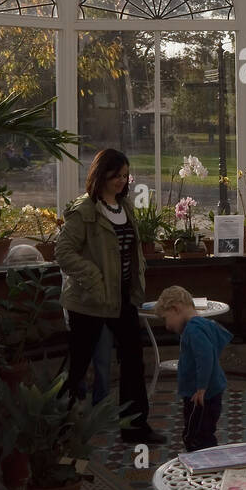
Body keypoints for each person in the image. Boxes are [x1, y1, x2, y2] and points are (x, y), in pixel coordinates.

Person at [55, 148, 164, 444]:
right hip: (88, 303)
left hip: (123, 300)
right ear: (100, 175)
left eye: (125, 176)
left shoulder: (125, 207)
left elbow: (132, 250)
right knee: (77, 366)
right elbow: (63, 252)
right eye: (116, 175)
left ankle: (135, 428)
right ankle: (60, 428)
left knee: (133, 362)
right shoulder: (85, 210)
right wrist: (93, 277)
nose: (121, 181)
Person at [154, 285, 232, 451]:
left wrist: (201, 388)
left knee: (195, 436)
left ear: (176, 309)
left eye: (165, 318)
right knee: (204, 432)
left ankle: (201, 465)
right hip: (208, 392)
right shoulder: (203, 325)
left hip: (200, 395)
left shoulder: (194, 330)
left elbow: (205, 357)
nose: (167, 326)